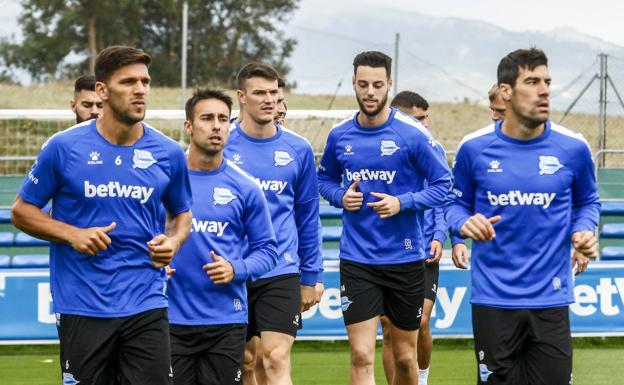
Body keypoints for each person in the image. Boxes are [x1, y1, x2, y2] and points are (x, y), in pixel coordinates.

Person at [11, 45, 193, 385]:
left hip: (146, 301)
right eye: (128, 82)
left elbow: (182, 214)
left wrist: (174, 241)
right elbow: (22, 211)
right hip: (82, 303)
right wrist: (72, 234)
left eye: (145, 81)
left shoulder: (168, 153)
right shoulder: (63, 147)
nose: (140, 90)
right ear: (102, 90)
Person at [445, 48, 599, 385]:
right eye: (531, 81)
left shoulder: (573, 148)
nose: (544, 90)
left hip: (552, 298)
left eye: (547, 81)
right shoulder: (474, 148)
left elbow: (587, 202)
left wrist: (584, 230)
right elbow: (454, 205)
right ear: (506, 91)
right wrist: (463, 223)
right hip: (493, 300)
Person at [318, 51, 452, 385]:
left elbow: (443, 185)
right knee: (361, 354)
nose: (370, 92)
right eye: (363, 84)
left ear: (389, 85)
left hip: (405, 259)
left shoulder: (413, 135)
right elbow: (324, 181)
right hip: (357, 259)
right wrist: (341, 197)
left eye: (378, 85)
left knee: (405, 358)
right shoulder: (339, 135)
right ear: (354, 84)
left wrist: (402, 202)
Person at [167, 88, 278, 385]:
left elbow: (267, 250)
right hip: (169, 318)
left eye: (222, 119)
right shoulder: (165, 180)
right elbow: (141, 234)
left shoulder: (246, 187)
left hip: (226, 320)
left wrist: (236, 269)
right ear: (188, 126)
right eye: (206, 118)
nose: (216, 125)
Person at [224, 62, 322, 385]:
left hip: (281, 270)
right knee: (244, 362)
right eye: (259, 93)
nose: (268, 99)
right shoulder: (221, 144)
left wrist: (312, 275)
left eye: (273, 92)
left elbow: (308, 216)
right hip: (232, 269)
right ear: (241, 96)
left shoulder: (298, 149)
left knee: (276, 358)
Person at [378, 90, 467, 385]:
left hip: (424, 247)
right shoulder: (381, 148)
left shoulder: (432, 149)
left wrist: (442, 237)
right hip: (387, 250)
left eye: (426, 118)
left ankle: (423, 379)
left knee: (421, 322)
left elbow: (444, 199)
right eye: (418, 119)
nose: (424, 124)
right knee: (389, 329)